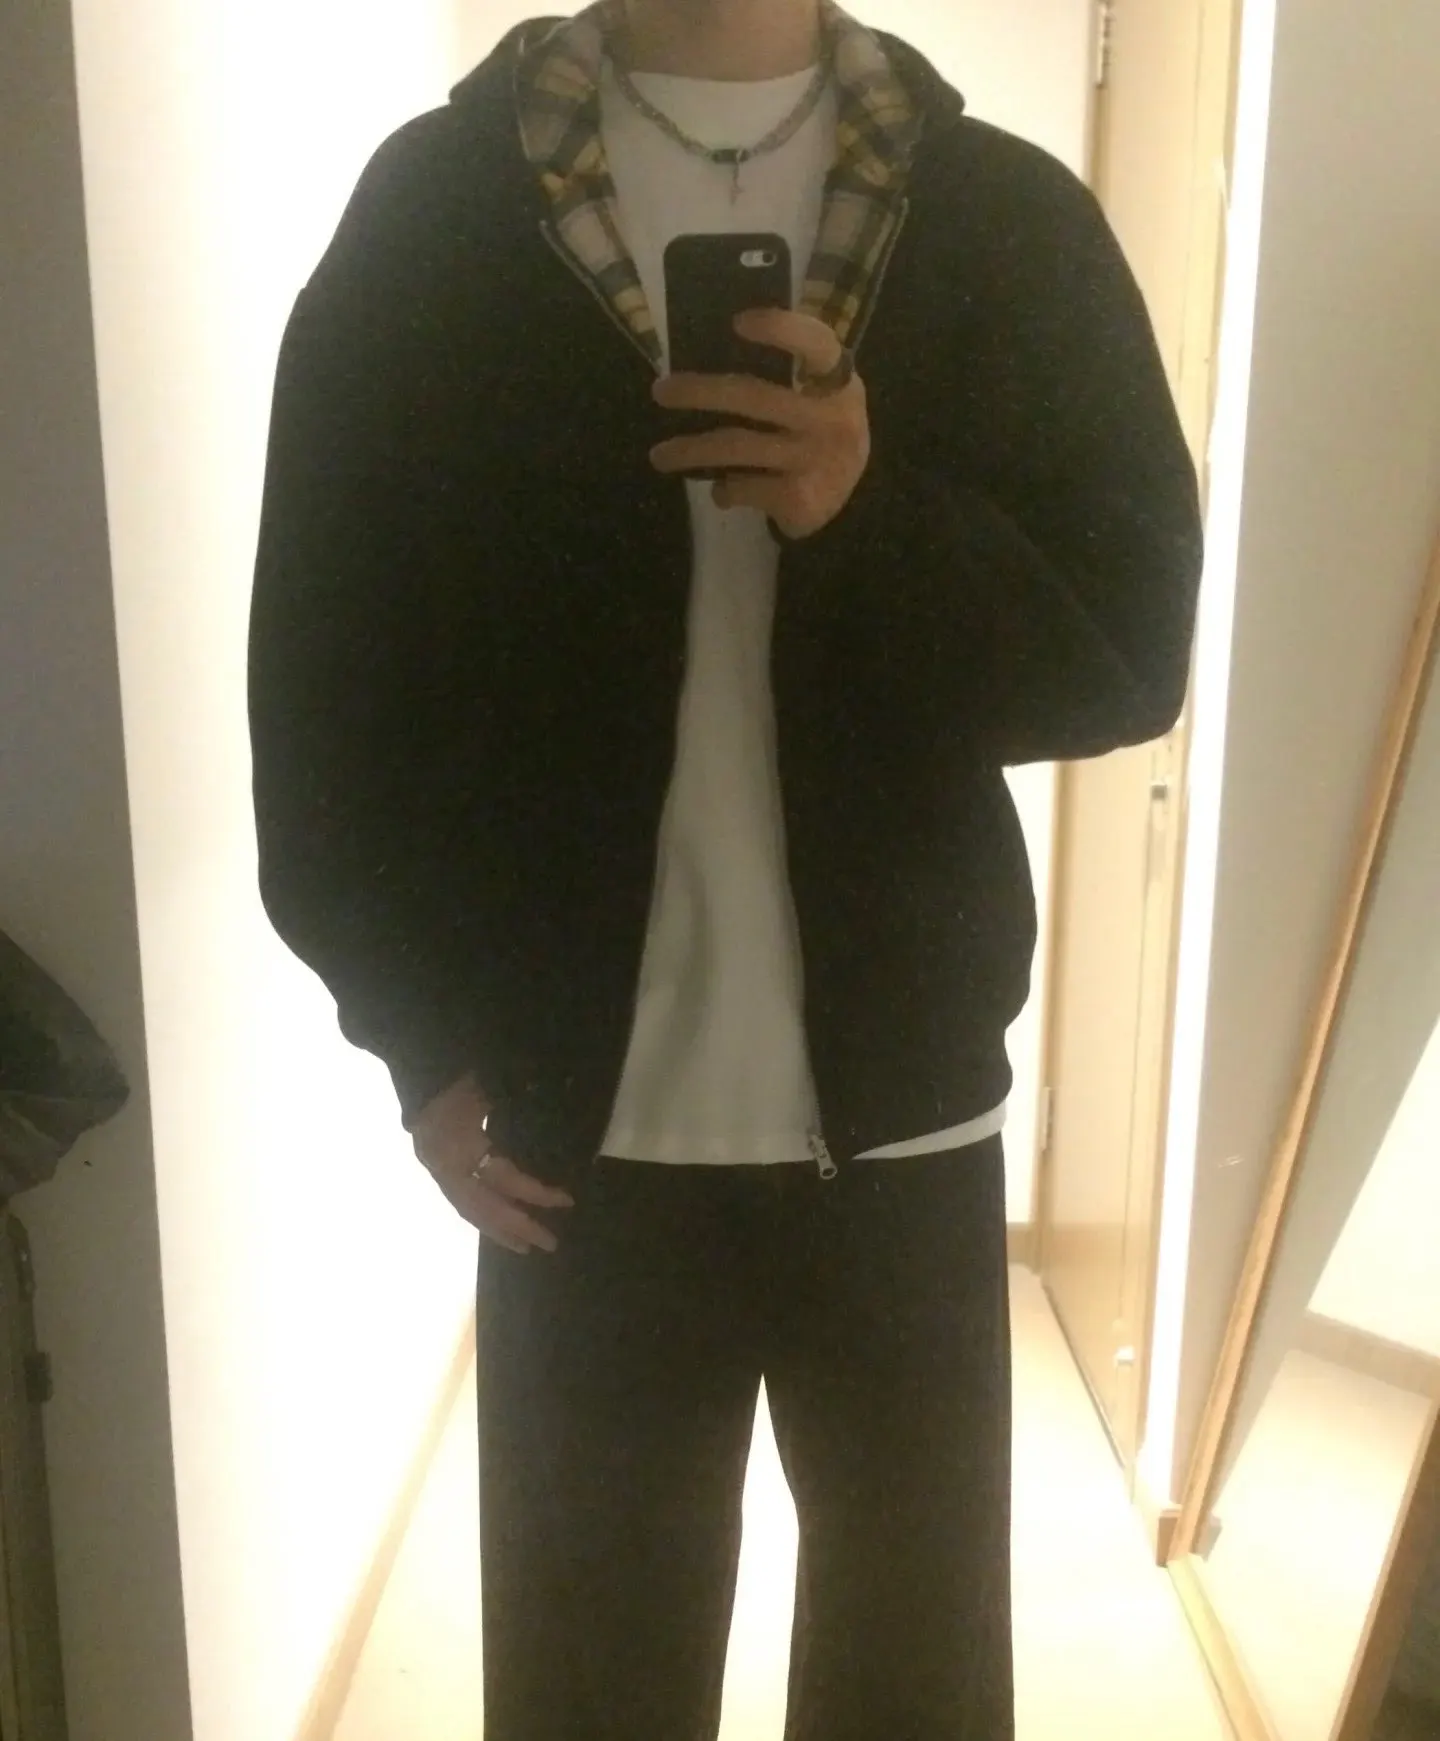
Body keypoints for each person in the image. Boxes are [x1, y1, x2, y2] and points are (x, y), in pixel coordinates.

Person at [248, 0, 1203, 1733]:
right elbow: (324, 673)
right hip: (569, 1128)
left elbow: (1126, 653)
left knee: (915, 1683)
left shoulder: (1001, 220)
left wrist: (867, 511)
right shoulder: (439, 219)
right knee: (588, 1684)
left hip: (901, 1122)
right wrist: (410, 1025)